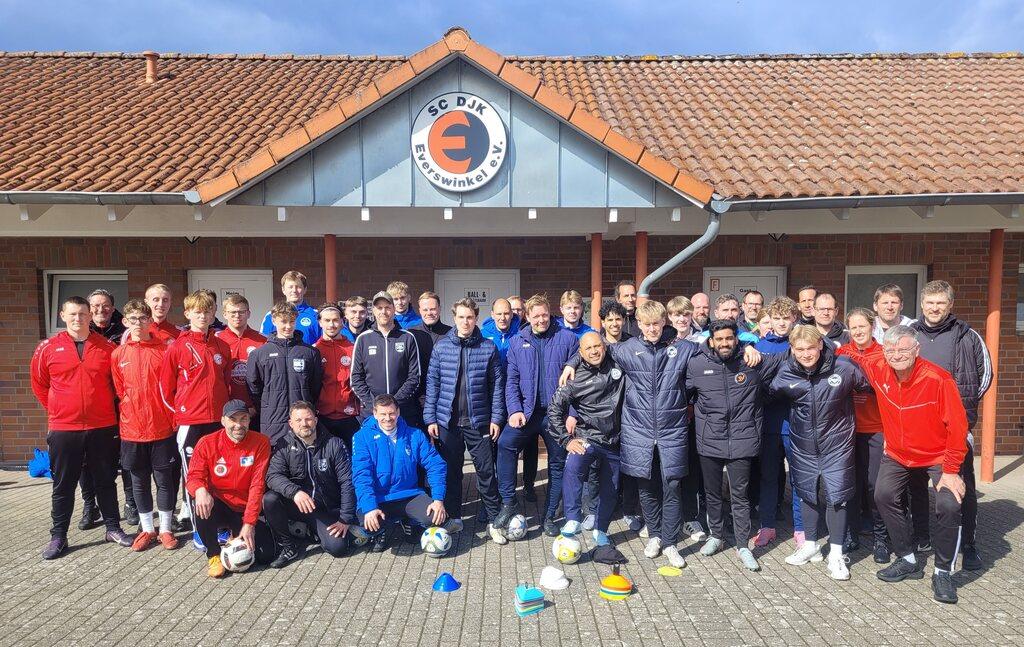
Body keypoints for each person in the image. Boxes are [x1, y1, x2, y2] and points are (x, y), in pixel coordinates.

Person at [862, 325, 969, 604]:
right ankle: (907, 559)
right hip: (898, 453)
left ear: (917, 350)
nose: (896, 355)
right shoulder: (877, 367)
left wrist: (951, 471)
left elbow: (958, 428)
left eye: (903, 349)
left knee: (948, 504)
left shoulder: (938, 379)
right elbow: (853, 355)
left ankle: (943, 572)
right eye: (890, 350)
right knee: (883, 495)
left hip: (938, 455)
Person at [31, 296, 133, 559]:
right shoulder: (47, 348)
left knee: (106, 480)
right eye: (73, 314)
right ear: (63, 316)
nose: (78, 319)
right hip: (64, 428)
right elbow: (39, 384)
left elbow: (118, 386)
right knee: (63, 484)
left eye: (83, 314)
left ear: (90, 316)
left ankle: (113, 528)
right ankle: (58, 536)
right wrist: (59, 409)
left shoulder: (107, 348)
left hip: (102, 425)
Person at [767, 325, 870, 581]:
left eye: (811, 348)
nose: (806, 354)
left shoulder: (843, 368)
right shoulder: (785, 371)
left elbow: (869, 388)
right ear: (792, 349)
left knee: (837, 496)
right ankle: (810, 545)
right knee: (807, 493)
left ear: (820, 345)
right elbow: (769, 393)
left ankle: (836, 554)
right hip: (803, 444)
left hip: (837, 444)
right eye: (800, 349)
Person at [686, 319, 785, 571]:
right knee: (712, 493)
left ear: (736, 339)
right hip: (709, 440)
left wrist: (753, 350)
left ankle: (742, 545)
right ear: (711, 341)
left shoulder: (753, 362)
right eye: (719, 339)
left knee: (740, 496)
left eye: (729, 338)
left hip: (743, 440)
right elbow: (682, 392)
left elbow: (790, 354)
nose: (724, 343)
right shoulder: (696, 364)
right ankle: (716, 536)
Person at [910, 280, 991, 571]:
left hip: (954, 429)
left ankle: (968, 544)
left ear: (950, 305)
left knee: (961, 487)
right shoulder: (910, 334)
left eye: (940, 303)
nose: (935, 308)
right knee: (916, 487)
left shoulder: (968, 336)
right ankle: (922, 537)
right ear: (922, 304)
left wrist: (958, 410)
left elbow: (985, 376)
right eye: (930, 302)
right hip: (917, 428)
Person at [493, 294, 579, 537]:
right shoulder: (517, 342)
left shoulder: (567, 338)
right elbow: (511, 380)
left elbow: (578, 381)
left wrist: (572, 414)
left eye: (544, 315)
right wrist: (514, 410)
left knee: (557, 463)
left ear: (550, 313)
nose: (541, 320)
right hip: (527, 412)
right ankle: (508, 503)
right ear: (527, 317)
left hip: (557, 414)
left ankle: (550, 516)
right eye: (536, 316)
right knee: (505, 444)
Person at [424, 298, 505, 544]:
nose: (465, 321)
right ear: (454, 318)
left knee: (486, 472)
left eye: (470, 317)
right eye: (461, 317)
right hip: (447, 422)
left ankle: (494, 521)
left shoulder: (488, 347)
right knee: (451, 472)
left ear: (476, 318)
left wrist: (496, 418)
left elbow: (497, 386)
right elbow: (432, 384)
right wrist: (430, 417)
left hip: (479, 422)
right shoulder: (442, 347)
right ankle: (454, 518)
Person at [159, 290, 233, 548]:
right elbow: (165, 389)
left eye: (208, 311)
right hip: (190, 424)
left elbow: (226, 384)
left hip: (218, 423)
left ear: (214, 314)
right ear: (188, 314)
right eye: (198, 312)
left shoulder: (222, 346)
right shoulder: (177, 347)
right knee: (195, 478)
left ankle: (221, 525)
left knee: (220, 474)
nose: (203, 316)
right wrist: (181, 415)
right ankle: (200, 531)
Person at [112, 299, 179, 551]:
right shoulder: (118, 354)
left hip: (162, 427)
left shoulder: (165, 350)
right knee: (138, 482)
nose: (138, 323)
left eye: (143, 318)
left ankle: (166, 529)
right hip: (132, 430)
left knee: (164, 481)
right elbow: (120, 391)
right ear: (125, 321)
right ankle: (148, 529)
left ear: (150, 321)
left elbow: (172, 388)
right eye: (133, 319)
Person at [549, 331, 625, 547]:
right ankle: (573, 518)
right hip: (588, 437)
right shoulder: (573, 378)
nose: (594, 351)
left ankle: (601, 530)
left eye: (597, 346)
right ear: (580, 353)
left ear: (604, 346)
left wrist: (572, 360)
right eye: (588, 348)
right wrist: (566, 440)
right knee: (573, 464)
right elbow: (554, 410)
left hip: (615, 440)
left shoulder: (618, 362)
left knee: (610, 488)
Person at [351, 395, 452, 552]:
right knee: (369, 524)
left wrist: (438, 499)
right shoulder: (361, 437)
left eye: (391, 413)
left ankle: (409, 522)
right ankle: (380, 531)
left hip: (409, 495)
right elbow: (361, 475)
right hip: (379, 498)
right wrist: (370, 507)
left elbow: (436, 465)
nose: (388, 418)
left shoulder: (415, 434)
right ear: (375, 414)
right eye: (383, 414)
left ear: (398, 412)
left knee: (437, 518)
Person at [263, 401, 358, 567]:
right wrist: (295, 492)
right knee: (270, 499)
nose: (304, 424)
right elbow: (272, 476)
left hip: (323, 508)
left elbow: (347, 482)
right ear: (291, 423)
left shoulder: (334, 444)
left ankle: (307, 531)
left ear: (315, 419)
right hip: (298, 504)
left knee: (338, 548)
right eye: (298, 420)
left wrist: (345, 518)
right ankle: (288, 547)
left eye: (308, 419)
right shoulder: (283, 445)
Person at [186, 400, 272, 578]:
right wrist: (200, 490)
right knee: (201, 501)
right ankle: (213, 555)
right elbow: (194, 477)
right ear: (223, 420)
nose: (238, 425)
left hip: (245, 508)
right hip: (220, 505)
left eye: (243, 419)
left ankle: (234, 535)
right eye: (233, 419)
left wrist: (249, 523)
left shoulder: (261, 442)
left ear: (249, 420)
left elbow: (257, 486)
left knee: (265, 556)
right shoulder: (206, 443)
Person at [836, 307, 889, 563]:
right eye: (853, 327)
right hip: (847, 430)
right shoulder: (841, 354)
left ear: (872, 326)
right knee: (852, 485)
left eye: (862, 326)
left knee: (875, 486)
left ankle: (881, 538)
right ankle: (851, 535)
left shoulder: (884, 354)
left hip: (876, 428)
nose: (858, 331)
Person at [752, 296, 803, 548]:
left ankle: (802, 528)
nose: (782, 323)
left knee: (799, 479)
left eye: (787, 318)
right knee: (769, 477)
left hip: (796, 424)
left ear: (794, 318)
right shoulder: (760, 346)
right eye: (777, 318)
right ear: (769, 320)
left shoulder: (802, 344)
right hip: (769, 424)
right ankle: (767, 526)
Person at [83, 288, 134, 526]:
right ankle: (90, 505)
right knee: (88, 460)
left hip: (121, 406)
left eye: (105, 305)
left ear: (113, 309)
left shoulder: (125, 333)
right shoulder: (81, 333)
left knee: (126, 458)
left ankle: (131, 503)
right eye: (95, 306)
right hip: (92, 407)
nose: (100, 310)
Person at [247, 301, 324, 447]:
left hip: (302, 420)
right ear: (274, 321)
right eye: (283, 321)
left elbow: (315, 386)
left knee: (304, 455)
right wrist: (268, 404)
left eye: (292, 321)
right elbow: (254, 387)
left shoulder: (310, 352)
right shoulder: (259, 354)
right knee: (276, 456)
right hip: (272, 419)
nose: (288, 326)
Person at [350, 291, 421, 427]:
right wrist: (375, 405)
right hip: (372, 412)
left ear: (394, 309)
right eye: (379, 308)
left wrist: (394, 404)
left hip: (402, 411)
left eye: (387, 307)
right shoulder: (363, 339)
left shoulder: (407, 338)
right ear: (373, 311)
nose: (384, 312)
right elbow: (356, 378)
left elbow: (414, 377)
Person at [313, 304, 361, 451]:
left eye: (335, 320)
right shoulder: (313, 350)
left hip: (350, 416)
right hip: (322, 417)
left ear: (342, 321)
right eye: (327, 320)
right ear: (320, 322)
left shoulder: (354, 348)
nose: (331, 325)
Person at [214, 294, 266, 425]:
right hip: (226, 410)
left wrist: (256, 406)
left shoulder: (262, 340)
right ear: (224, 314)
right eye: (233, 312)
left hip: (255, 410)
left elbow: (267, 378)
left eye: (241, 312)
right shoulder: (216, 340)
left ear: (248, 313)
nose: (237, 316)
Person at [408, 291, 453, 404]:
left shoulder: (451, 334)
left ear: (439, 309)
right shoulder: (411, 334)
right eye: (425, 310)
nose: (429, 313)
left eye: (433, 309)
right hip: (416, 398)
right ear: (420, 310)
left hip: (445, 397)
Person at [260, 271, 321, 346]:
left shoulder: (316, 315)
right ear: (283, 290)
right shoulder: (271, 315)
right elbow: (264, 342)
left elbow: (322, 343)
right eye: (290, 287)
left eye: (298, 287)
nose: (294, 290)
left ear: (305, 289)